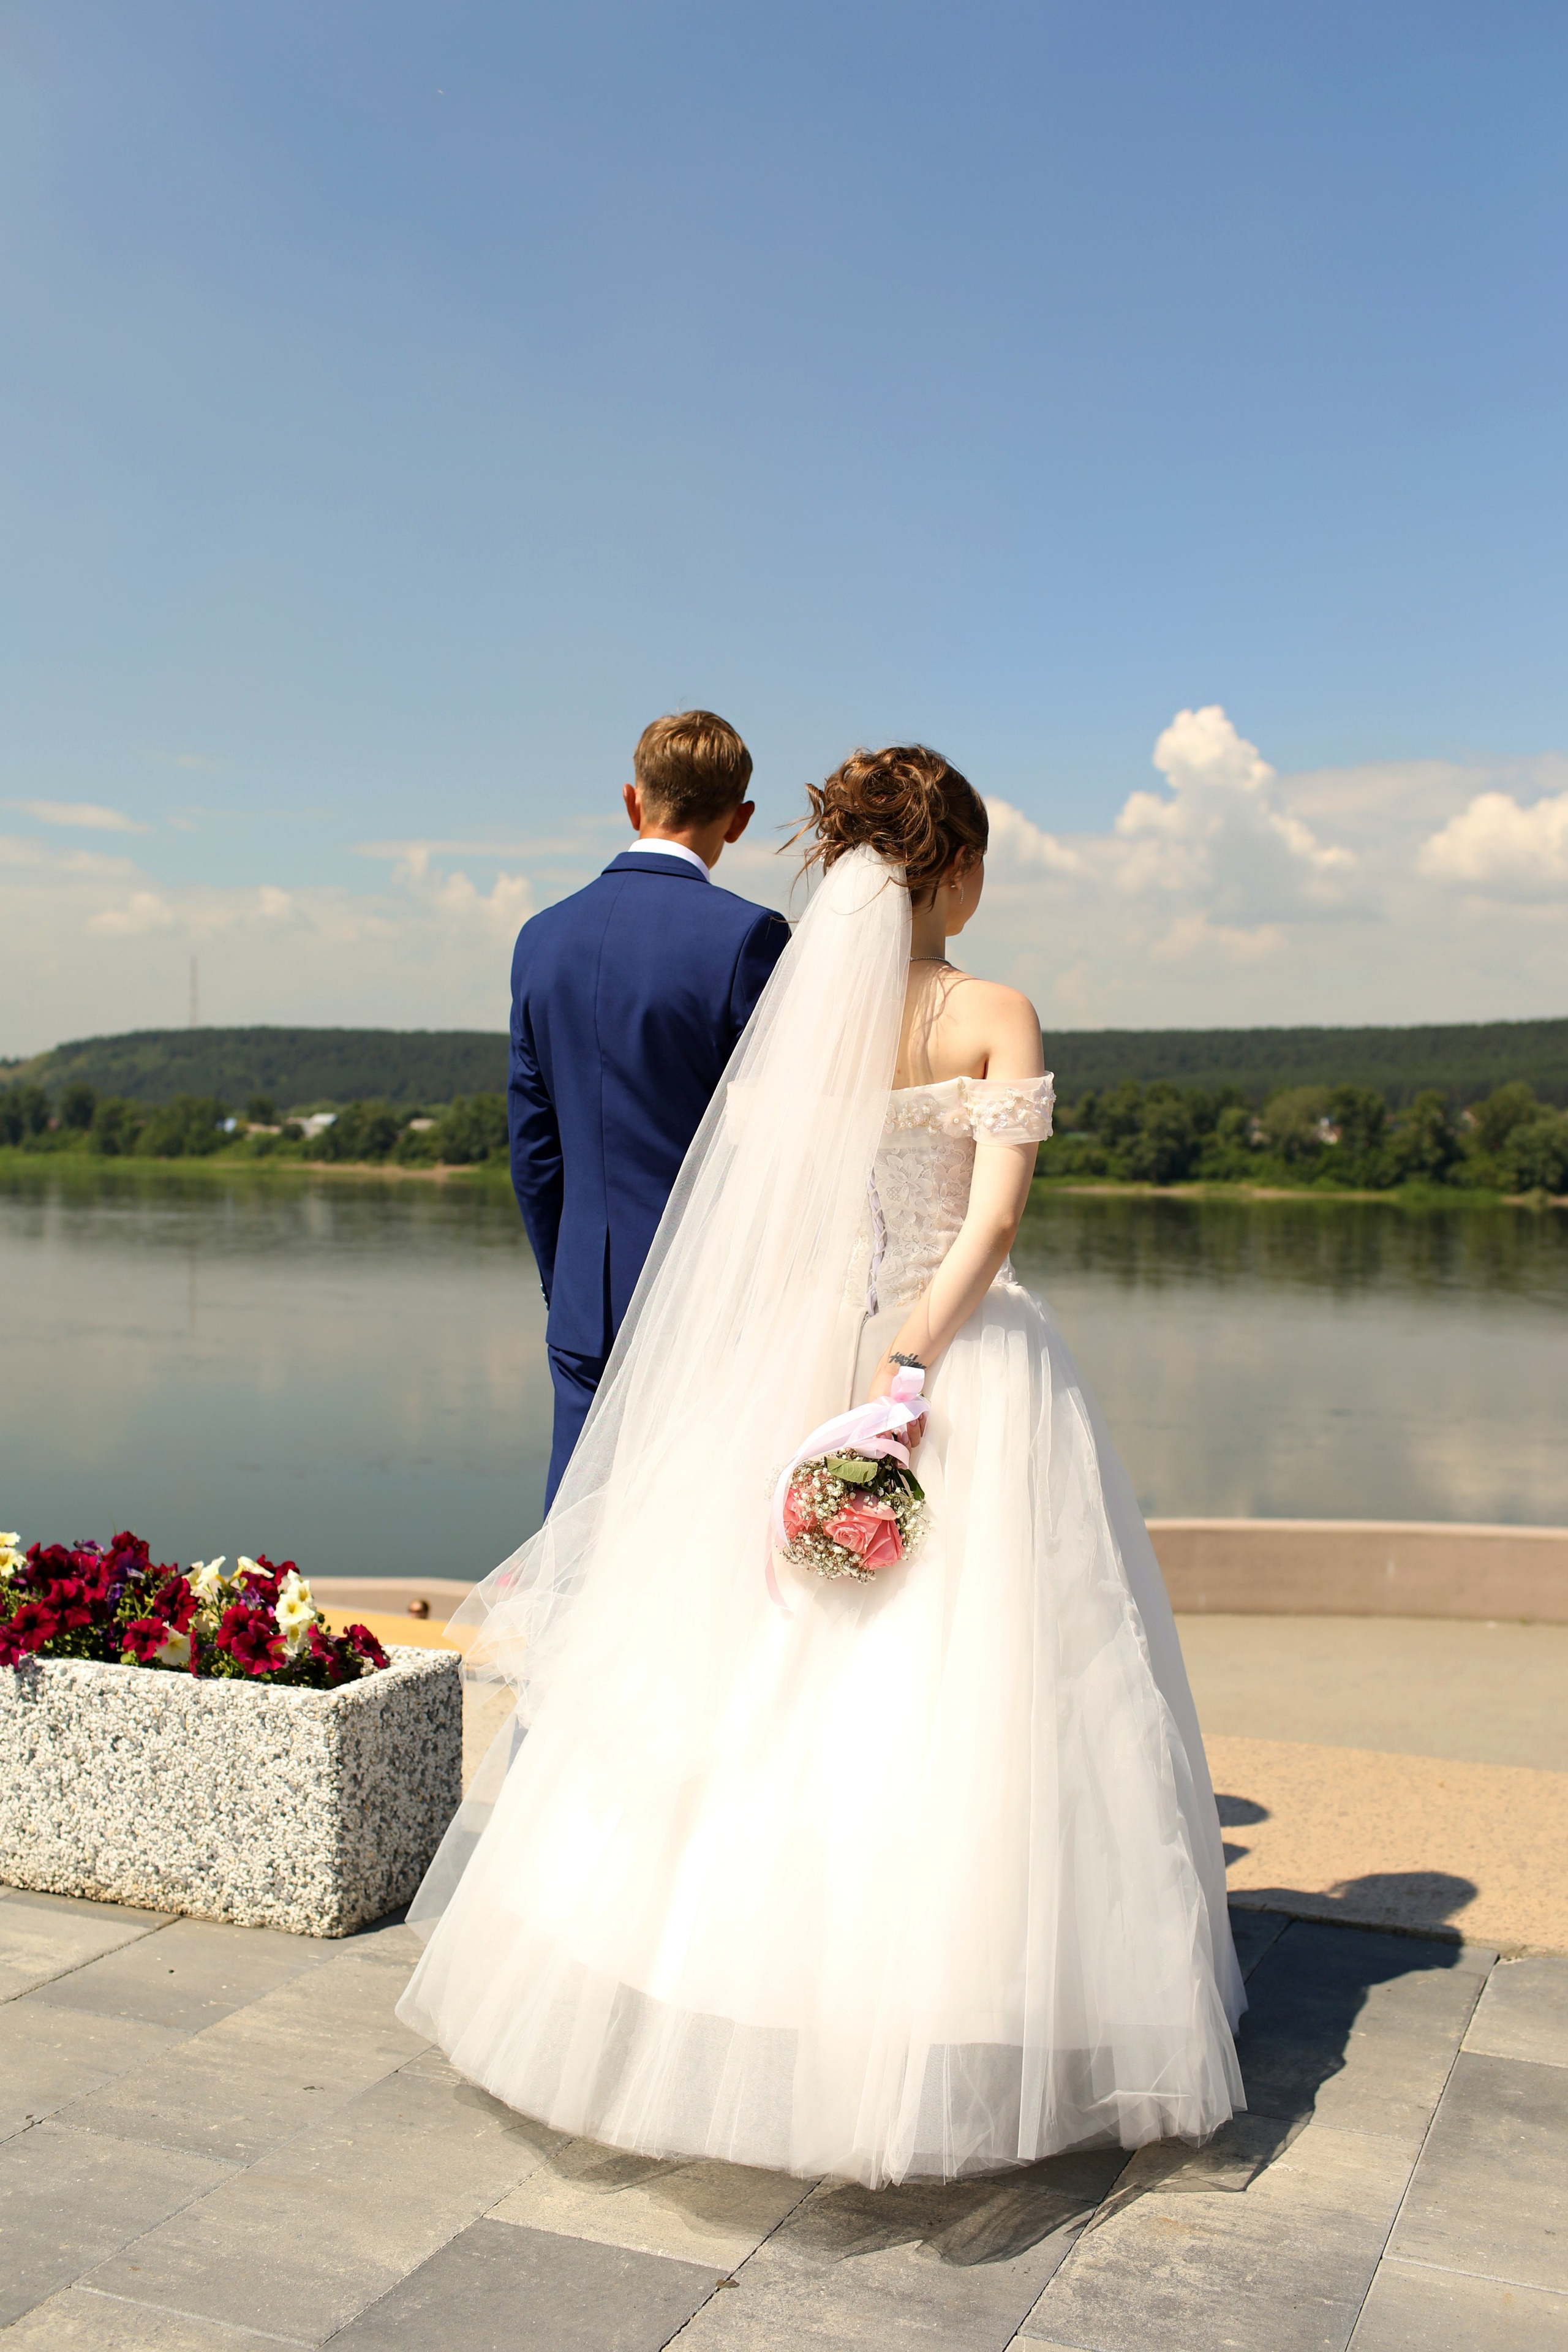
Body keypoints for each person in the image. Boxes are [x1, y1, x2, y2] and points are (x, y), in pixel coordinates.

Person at [400, 745, 1244, 2188]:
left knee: (789, 1669)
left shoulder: (813, 1021)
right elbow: (988, 1229)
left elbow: (785, 1215)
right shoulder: (994, 1011)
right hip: (956, 1355)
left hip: (826, 1346)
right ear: (955, 866)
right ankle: (962, 1989)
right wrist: (915, 1358)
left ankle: (739, 1969)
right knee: (990, 1680)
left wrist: (841, 1356)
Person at [507, 710, 790, 1505]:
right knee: (696, 1524)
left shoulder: (541, 937)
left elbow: (534, 1147)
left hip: (584, 1300)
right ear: (739, 820)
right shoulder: (750, 939)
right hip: (709, 1300)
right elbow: (781, 1139)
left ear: (633, 801)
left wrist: (567, 1281)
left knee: (577, 1531)